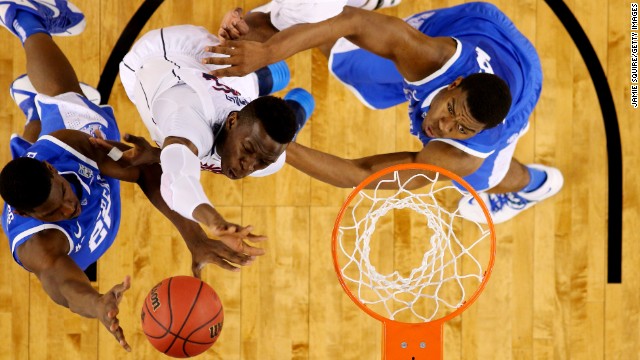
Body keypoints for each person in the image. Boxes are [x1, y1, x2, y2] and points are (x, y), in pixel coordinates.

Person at [0, 0, 261, 351]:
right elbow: (64, 288)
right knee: (43, 132)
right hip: (42, 175)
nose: (69, 209)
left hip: (67, 147)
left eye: (63, 194)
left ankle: (24, 17)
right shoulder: (40, 246)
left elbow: (145, 170)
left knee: (68, 103)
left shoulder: (67, 147)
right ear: (28, 215)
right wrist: (98, 304)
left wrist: (193, 236)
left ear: (52, 170)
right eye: (53, 213)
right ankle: (32, 110)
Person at [205, 2, 564, 224]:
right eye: (451, 110)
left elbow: (361, 174)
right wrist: (267, 53)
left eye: (461, 128)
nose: (443, 126)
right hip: (478, 26)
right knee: (345, 56)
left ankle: (536, 185)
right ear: (453, 85)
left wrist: (279, 144)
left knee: (483, 179)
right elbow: (350, 21)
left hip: (523, 79)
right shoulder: (427, 56)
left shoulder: (460, 154)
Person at [117, 24, 316, 251]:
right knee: (258, 74)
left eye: (262, 161)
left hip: (227, 93)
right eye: (248, 150)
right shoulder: (188, 121)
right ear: (232, 121)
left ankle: (294, 103)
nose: (248, 166)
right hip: (165, 55)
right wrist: (214, 221)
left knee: (263, 99)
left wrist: (158, 154)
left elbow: (184, 159)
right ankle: (284, 86)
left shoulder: (269, 161)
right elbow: (177, 180)